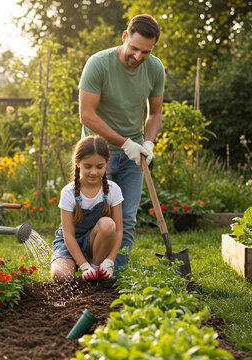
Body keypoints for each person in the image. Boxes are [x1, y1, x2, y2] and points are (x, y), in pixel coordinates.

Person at [78, 14, 165, 277]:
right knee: (92, 217)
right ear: (124, 37)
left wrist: (147, 142)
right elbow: (87, 115)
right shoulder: (99, 64)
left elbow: (155, 113)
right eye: (134, 49)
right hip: (97, 155)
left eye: (146, 52)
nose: (138, 57)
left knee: (125, 219)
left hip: (133, 157)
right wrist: (124, 142)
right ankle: (87, 268)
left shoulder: (155, 68)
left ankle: (115, 276)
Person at [51, 136, 124, 281]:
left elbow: (119, 230)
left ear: (106, 163)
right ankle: (79, 265)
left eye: (99, 166)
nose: (93, 172)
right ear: (77, 163)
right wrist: (84, 265)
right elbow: (68, 235)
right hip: (70, 242)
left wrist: (110, 260)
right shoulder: (69, 192)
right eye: (88, 166)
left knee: (108, 224)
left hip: (95, 241)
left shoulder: (112, 190)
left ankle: (95, 270)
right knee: (61, 276)